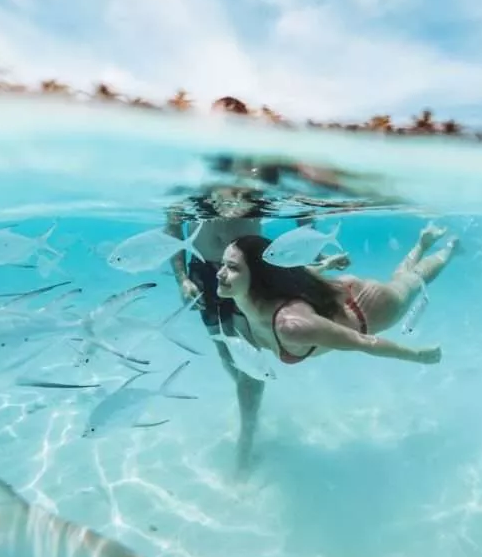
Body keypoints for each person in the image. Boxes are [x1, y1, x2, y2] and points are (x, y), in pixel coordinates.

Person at [165, 184, 344, 474]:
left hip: (248, 272)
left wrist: (315, 254)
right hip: (203, 272)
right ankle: (248, 399)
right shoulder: (194, 189)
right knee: (224, 350)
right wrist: (181, 278)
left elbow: (303, 210)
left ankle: (245, 441)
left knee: (250, 362)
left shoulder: (255, 188)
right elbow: (172, 226)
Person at [216, 223, 459, 369]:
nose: (219, 274)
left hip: (368, 308)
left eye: (232, 267)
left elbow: (362, 342)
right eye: (223, 264)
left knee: (412, 280)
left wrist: (417, 355)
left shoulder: (291, 326)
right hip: (338, 293)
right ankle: (422, 243)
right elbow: (290, 276)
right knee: (402, 278)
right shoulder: (248, 300)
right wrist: (327, 264)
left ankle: (449, 249)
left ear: (259, 277)